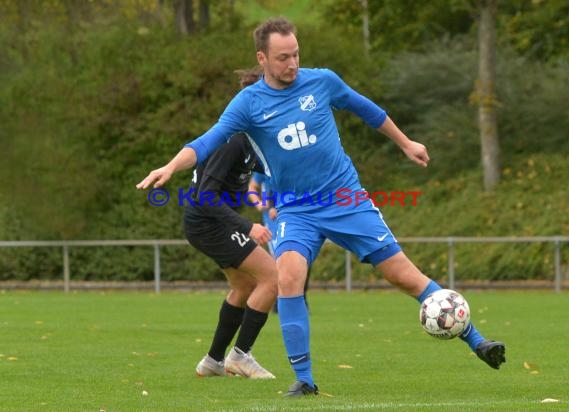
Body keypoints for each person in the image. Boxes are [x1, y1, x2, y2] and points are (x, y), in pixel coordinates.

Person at [137, 17, 506, 396]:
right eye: (283, 57)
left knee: (404, 276)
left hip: (346, 198)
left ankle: (478, 341)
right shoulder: (248, 103)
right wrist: (169, 166)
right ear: (262, 58)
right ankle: (305, 380)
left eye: (296, 54)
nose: (292, 64)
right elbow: (207, 141)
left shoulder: (322, 81)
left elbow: (367, 110)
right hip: (296, 209)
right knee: (289, 276)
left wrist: (405, 142)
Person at [185, 67, 277, 379]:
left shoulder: (252, 138)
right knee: (273, 278)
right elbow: (205, 197)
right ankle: (240, 356)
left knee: (244, 284)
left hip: (212, 222)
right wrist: (246, 226)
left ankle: (212, 362)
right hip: (207, 222)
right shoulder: (234, 140)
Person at [247, 172, 310, 313]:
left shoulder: (289, 163)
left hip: (291, 216)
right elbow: (252, 187)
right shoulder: (262, 166)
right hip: (273, 222)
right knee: (279, 260)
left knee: (300, 257)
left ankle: (299, 299)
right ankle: (280, 301)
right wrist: (260, 204)